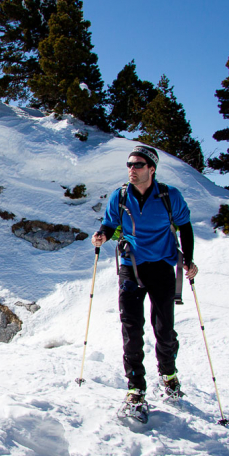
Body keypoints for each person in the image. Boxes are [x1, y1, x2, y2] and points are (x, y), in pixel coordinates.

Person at [91, 145, 198, 416]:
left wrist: (188, 259)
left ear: (152, 168)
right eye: (129, 164)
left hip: (162, 265)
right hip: (131, 267)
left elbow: (184, 226)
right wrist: (102, 235)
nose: (132, 169)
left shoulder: (169, 196)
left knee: (163, 328)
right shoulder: (121, 196)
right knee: (131, 328)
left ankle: (169, 375)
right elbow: (109, 223)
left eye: (138, 165)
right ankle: (135, 388)